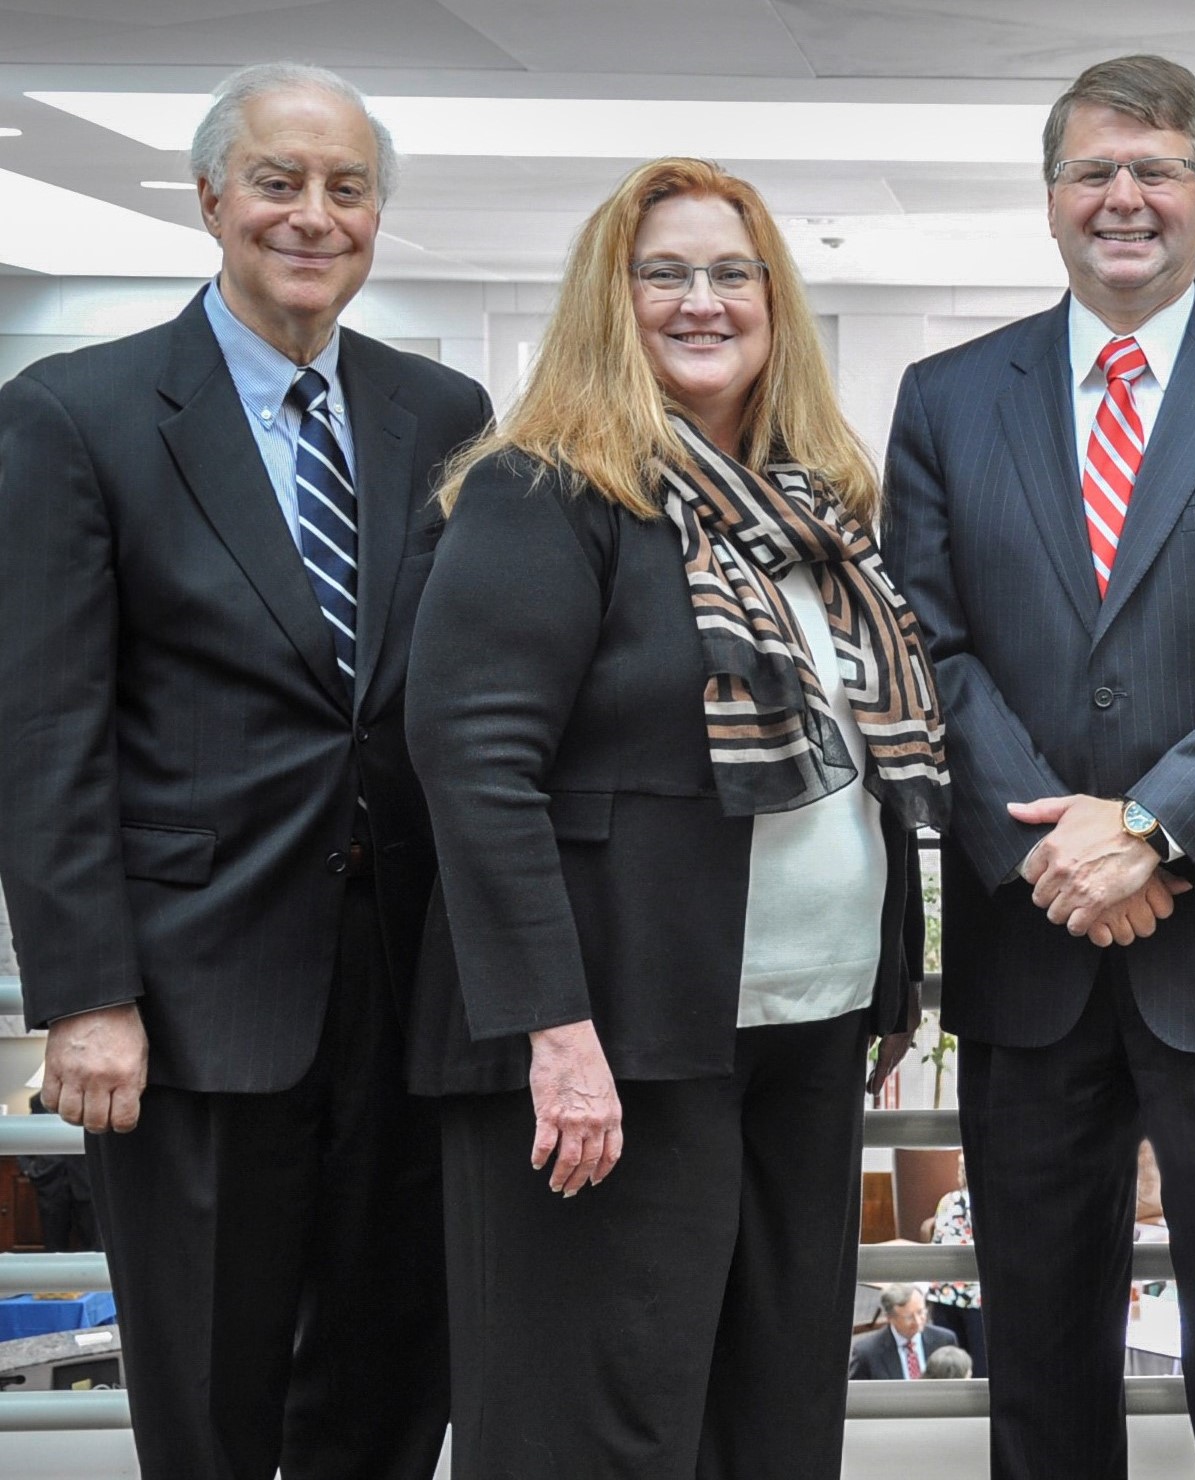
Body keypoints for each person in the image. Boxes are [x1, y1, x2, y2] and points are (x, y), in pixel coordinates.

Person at [879, 53, 1195, 1480]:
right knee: (1035, 1337)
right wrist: (1057, 851)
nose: (1124, 197)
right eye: (1094, 170)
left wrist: (1152, 828)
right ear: (1048, 200)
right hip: (1028, 935)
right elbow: (923, 644)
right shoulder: (945, 396)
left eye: (1154, 168)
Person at [407, 156, 942, 1478]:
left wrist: (877, 984)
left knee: (769, 1415)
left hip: (795, 1031)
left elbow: (860, 758)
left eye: (730, 272)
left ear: (773, 301)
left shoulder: (814, 508)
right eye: (664, 273)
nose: (701, 300)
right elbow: (473, 763)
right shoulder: (545, 491)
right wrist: (557, 1033)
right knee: (600, 1427)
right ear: (610, 299)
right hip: (613, 1045)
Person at [0, 62, 488, 1480]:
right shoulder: (75, 414)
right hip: (193, 1002)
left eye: (346, 188)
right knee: (211, 1398)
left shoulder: (441, 408)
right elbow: (42, 728)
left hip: (410, 993)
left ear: (378, 215)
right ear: (211, 195)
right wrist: (86, 993)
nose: (311, 215)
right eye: (279, 181)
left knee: (393, 1380)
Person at [922, 1163, 985, 1375]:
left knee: (946, 1362)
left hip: (943, 1291)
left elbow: (937, 1240)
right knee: (980, 1365)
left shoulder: (946, 1200)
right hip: (975, 1296)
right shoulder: (987, 1202)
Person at [851, 1284, 963, 1380]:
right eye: (909, 1317)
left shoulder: (944, 1340)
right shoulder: (866, 1353)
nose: (918, 1321)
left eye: (921, 1312)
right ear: (890, 1318)